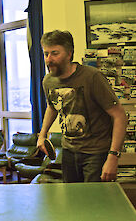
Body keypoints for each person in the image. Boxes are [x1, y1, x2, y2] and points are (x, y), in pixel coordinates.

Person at [37, 30, 127, 183]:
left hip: (96, 153)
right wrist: (42, 134)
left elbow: (120, 116)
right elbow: (52, 107)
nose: (49, 59)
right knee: (73, 200)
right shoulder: (48, 81)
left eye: (55, 53)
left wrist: (113, 156)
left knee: (94, 203)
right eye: (46, 54)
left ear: (69, 54)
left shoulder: (92, 77)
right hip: (68, 152)